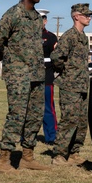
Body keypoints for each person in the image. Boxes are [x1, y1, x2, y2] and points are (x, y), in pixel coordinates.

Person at [0, 0, 50, 172]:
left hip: (37, 74)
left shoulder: (37, 18)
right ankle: (4, 158)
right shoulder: (13, 14)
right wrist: (8, 58)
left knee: (34, 116)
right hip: (18, 74)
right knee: (17, 115)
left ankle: (27, 157)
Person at [50, 3, 92, 165]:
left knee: (82, 121)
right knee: (69, 119)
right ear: (76, 17)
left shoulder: (83, 37)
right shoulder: (69, 36)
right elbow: (56, 57)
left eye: (89, 15)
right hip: (70, 85)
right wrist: (67, 72)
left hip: (82, 85)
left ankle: (74, 152)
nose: (89, 18)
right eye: (86, 15)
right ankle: (59, 155)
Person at [41, 12, 59, 145]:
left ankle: (51, 136)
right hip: (29, 75)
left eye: (41, 19)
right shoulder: (26, 36)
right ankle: (25, 136)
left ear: (45, 21)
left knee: (48, 107)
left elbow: (57, 56)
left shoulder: (51, 37)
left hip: (46, 75)